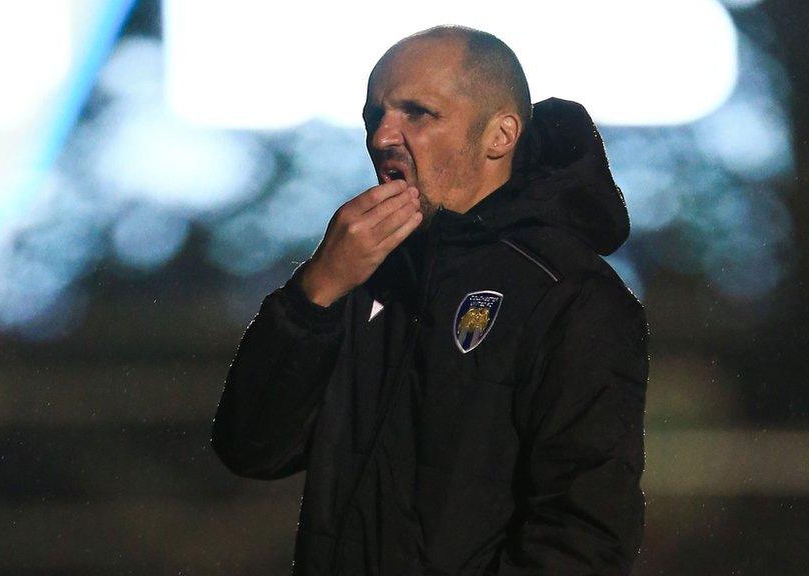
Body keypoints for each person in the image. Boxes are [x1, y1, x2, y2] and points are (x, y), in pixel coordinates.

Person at [211, 24, 650, 576]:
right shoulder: (357, 275)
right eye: (375, 116)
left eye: (417, 113)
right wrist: (314, 292)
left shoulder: (568, 295)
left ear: (500, 135)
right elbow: (251, 448)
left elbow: (582, 537)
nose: (382, 136)